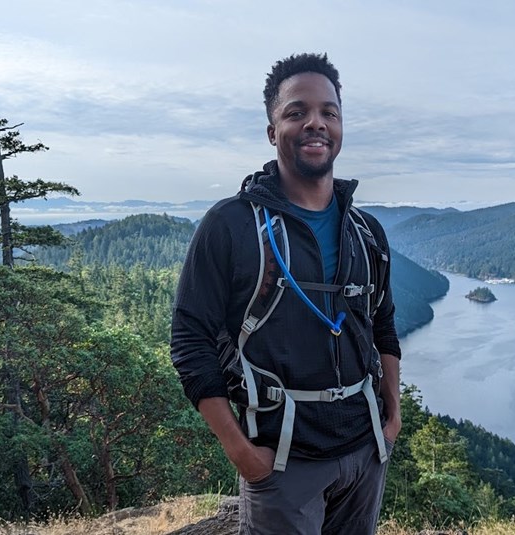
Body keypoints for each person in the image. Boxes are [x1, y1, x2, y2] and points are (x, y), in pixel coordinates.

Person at [171, 52, 401, 535]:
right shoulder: (231, 226)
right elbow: (190, 341)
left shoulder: (366, 231)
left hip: (365, 451)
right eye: (296, 112)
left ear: (341, 126)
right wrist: (241, 453)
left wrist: (392, 417)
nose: (315, 123)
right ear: (273, 130)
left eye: (328, 112)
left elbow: (382, 323)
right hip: (281, 462)